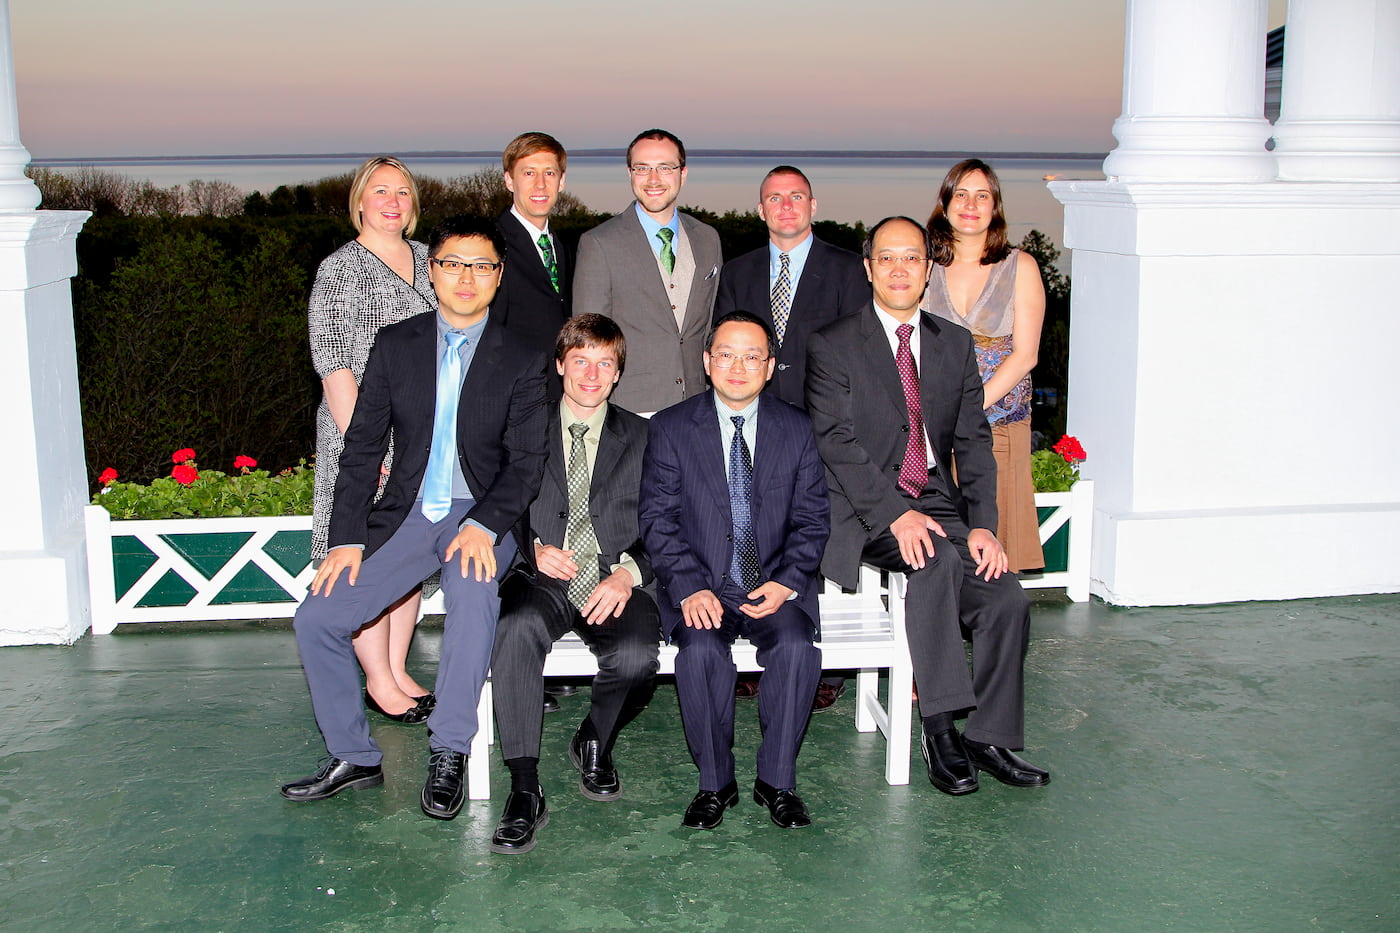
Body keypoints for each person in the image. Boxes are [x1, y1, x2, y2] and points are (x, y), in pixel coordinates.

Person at [280, 216, 549, 821]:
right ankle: (354, 755)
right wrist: (347, 538)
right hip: (406, 513)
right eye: (452, 262)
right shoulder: (397, 345)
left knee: (473, 590)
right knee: (318, 615)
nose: (466, 277)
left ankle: (450, 747)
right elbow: (363, 448)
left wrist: (484, 525)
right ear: (432, 271)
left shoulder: (523, 359)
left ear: (498, 277)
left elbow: (526, 464)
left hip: (482, 516)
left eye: (481, 265)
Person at [805, 216, 1050, 798]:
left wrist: (985, 527)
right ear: (868, 269)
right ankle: (938, 728)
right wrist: (894, 513)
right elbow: (835, 444)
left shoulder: (952, 342)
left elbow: (972, 441)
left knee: (1004, 594)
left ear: (927, 270)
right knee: (935, 561)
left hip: (937, 501)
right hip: (865, 508)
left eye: (911, 258)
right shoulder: (833, 343)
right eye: (886, 258)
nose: (898, 269)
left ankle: (990, 736)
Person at [640, 311, 828, 830]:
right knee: (699, 652)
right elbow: (657, 519)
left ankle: (778, 780)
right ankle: (715, 782)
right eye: (726, 354)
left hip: (773, 585)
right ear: (707, 362)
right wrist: (689, 586)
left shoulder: (796, 428)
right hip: (705, 586)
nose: (738, 367)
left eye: (752, 356)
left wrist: (788, 581)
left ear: (770, 367)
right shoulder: (672, 428)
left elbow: (813, 520)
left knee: (795, 650)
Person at [488, 314, 661, 854]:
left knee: (635, 659)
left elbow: (669, 522)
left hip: (614, 577)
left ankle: (595, 737)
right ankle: (523, 786)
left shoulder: (645, 436)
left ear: (617, 374)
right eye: (580, 359)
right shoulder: (524, 428)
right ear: (559, 364)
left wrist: (629, 572)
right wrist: (531, 548)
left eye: (604, 363)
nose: (591, 373)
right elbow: (495, 501)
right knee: (515, 630)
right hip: (544, 577)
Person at [714, 164, 869, 712]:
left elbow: (860, 350)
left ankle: (816, 658)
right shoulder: (738, 270)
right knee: (749, 525)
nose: (785, 206)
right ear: (760, 209)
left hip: (823, 424)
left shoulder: (849, 269)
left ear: (813, 204)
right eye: (774, 198)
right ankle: (750, 643)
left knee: (815, 532)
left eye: (795, 197)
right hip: (752, 420)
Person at [307, 156, 437, 724]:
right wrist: (372, 449)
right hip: (361, 436)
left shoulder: (432, 260)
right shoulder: (339, 269)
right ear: (359, 201)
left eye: (403, 192)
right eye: (380, 191)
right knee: (364, 557)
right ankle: (378, 680)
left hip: (423, 438)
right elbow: (333, 361)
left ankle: (398, 666)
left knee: (405, 558)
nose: (392, 201)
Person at [922, 159, 1045, 571]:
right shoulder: (923, 268)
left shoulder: (1019, 266)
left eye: (982, 196)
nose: (971, 204)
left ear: (995, 207)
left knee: (998, 539)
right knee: (945, 543)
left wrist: (969, 408)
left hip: (999, 424)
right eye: (961, 194)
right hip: (934, 430)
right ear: (945, 203)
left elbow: (1026, 355)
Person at [573, 129, 722, 415]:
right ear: (630, 173)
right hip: (630, 407)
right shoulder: (599, 243)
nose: (654, 179)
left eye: (665, 168)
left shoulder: (707, 239)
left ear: (683, 173)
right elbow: (589, 340)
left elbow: (706, 328)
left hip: (696, 405)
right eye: (643, 169)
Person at [493, 132, 573, 358]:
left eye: (549, 173)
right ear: (509, 180)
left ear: (561, 181)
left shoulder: (563, 246)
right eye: (529, 173)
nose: (540, 184)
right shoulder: (491, 244)